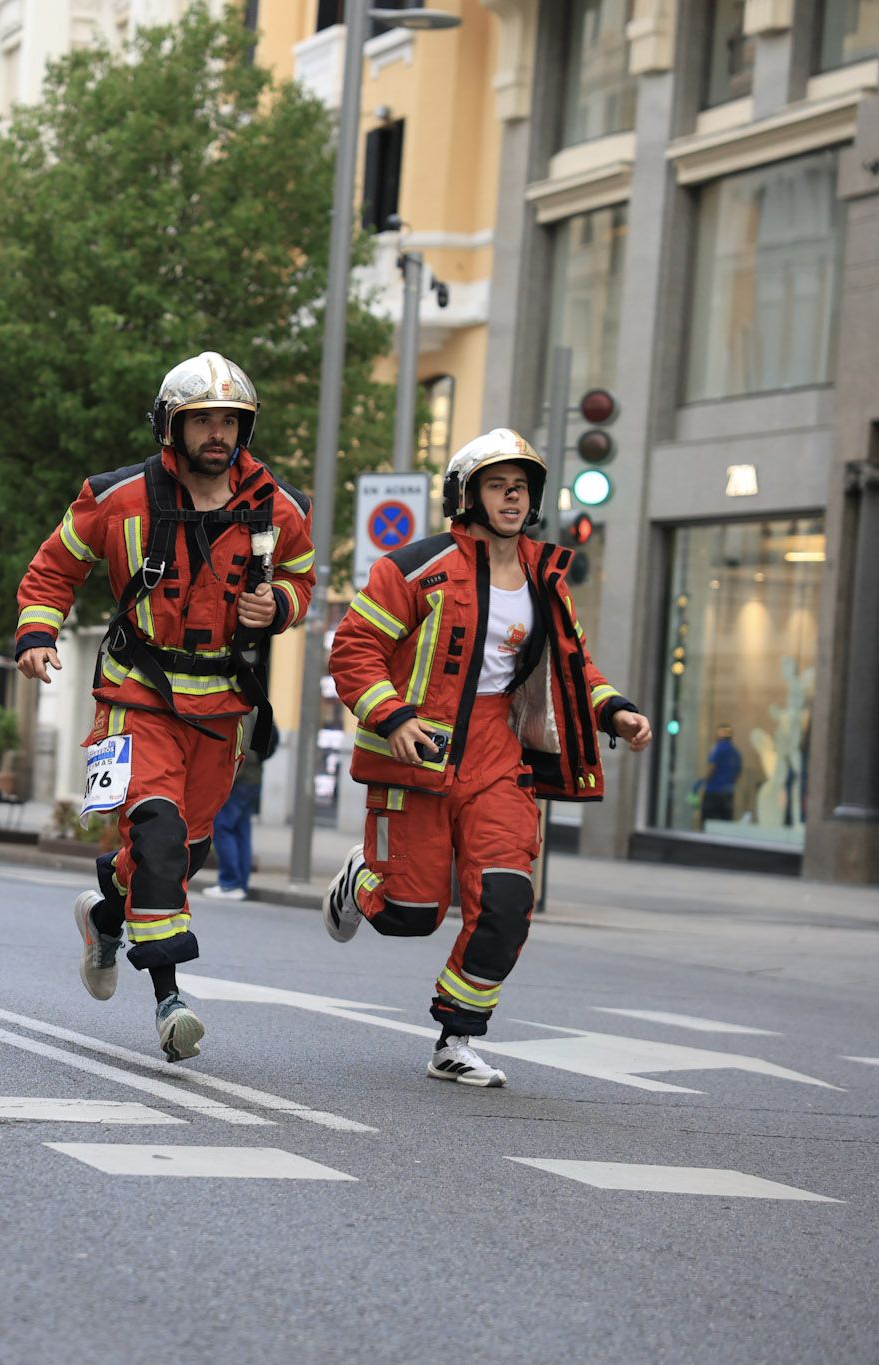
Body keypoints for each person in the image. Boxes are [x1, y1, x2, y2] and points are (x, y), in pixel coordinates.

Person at [324, 428, 652, 1087]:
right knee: (409, 914)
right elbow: (353, 650)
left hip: (500, 754)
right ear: (466, 495)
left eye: (522, 485)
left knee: (506, 899)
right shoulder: (415, 565)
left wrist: (613, 708)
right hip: (415, 752)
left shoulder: (545, 576)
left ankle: (457, 1037)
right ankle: (362, 879)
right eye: (498, 484)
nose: (513, 495)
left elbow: (573, 664)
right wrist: (393, 717)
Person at [14, 353, 314, 1061]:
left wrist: (280, 605)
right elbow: (54, 566)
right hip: (134, 692)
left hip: (221, 704)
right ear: (169, 426)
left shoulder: (279, 505)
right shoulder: (115, 496)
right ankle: (170, 1000)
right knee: (156, 834)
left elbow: (301, 578)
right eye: (202, 420)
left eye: (230, 421)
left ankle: (106, 914)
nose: (218, 433)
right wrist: (36, 631)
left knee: (185, 851)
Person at [204, 720, 263, 902]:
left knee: (222, 828)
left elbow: (241, 749)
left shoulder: (244, 708)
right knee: (241, 831)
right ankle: (240, 884)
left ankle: (230, 883)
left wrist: (228, 779)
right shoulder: (257, 706)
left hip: (240, 780)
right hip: (253, 778)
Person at [697, 723, 741, 825]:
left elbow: (711, 768)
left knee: (707, 824)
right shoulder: (736, 753)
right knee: (724, 826)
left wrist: (702, 781)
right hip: (728, 794)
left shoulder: (717, 749)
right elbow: (737, 775)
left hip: (713, 792)